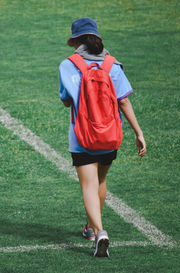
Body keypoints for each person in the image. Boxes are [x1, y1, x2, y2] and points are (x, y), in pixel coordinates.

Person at [58, 18, 146, 257]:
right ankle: (89, 228)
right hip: (109, 136)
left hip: (82, 137)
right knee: (101, 181)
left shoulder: (68, 65)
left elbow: (66, 101)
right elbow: (124, 100)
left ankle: (99, 232)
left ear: (76, 41)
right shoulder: (112, 65)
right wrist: (138, 133)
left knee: (88, 185)